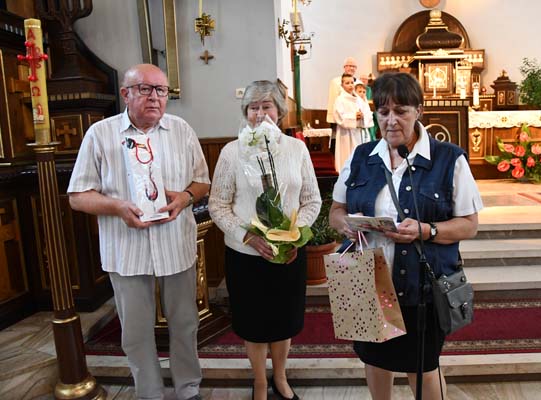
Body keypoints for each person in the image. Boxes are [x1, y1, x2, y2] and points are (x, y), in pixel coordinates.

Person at [329, 72, 483, 400]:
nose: (391, 120)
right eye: (383, 112)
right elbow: (336, 211)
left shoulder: (448, 158)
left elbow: (469, 224)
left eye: (400, 111)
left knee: (422, 365)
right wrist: (346, 225)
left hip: (421, 286)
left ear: (419, 111)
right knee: (374, 359)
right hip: (366, 280)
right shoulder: (361, 157)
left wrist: (427, 230)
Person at [68, 64, 209, 400]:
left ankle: (188, 389)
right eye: (145, 89)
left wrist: (185, 197)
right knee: (135, 332)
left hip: (175, 245)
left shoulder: (181, 130)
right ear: (125, 94)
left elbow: (202, 182)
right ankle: (150, 393)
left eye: (161, 90)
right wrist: (117, 207)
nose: (155, 97)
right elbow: (77, 196)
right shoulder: (100, 134)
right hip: (126, 250)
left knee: (185, 323)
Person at [208, 80, 321, 400]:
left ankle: (280, 378)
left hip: (288, 253)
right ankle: (259, 381)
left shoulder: (296, 149)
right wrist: (248, 237)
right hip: (246, 255)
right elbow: (217, 205)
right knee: (254, 324)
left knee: (284, 321)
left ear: (279, 111)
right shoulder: (232, 152)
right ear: (245, 112)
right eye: (252, 107)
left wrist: (294, 237)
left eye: (266, 106)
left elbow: (312, 200)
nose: (259, 114)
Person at [333, 74, 373, 172]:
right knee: (347, 157)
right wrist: (354, 117)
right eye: (347, 83)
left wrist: (363, 116)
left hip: (359, 133)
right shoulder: (340, 99)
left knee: (360, 158)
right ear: (342, 85)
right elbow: (339, 117)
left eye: (352, 82)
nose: (350, 85)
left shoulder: (359, 99)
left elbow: (368, 113)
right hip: (346, 134)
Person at [326, 56, 357, 124]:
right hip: (339, 118)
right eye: (349, 66)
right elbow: (333, 100)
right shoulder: (335, 82)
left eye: (354, 66)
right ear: (344, 67)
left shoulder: (358, 83)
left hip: (355, 118)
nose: (352, 68)